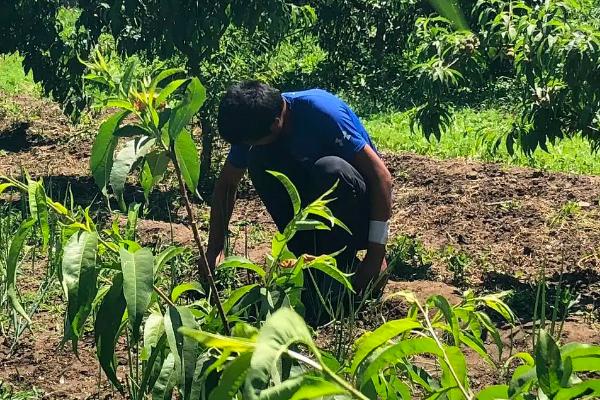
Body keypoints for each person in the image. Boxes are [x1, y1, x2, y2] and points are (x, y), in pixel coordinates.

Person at [206, 81, 392, 319]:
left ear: (276, 124)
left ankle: (345, 262)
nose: (247, 147)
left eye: (250, 141)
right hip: (310, 209)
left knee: (331, 169)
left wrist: (375, 255)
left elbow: (382, 179)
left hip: (357, 208)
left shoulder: (322, 112)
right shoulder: (254, 121)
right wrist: (214, 250)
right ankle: (309, 258)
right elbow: (227, 184)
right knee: (259, 161)